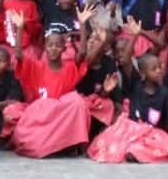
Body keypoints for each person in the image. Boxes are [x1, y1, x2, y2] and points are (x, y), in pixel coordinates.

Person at [9, 14, 107, 158]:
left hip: (61, 116)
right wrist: (20, 27)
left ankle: (69, 144)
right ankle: (54, 146)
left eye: (57, 46)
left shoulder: (69, 68)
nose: (53, 48)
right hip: (40, 116)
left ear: (63, 49)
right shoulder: (36, 66)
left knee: (77, 101)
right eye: (50, 45)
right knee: (31, 142)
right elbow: (18, 55)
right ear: (45, 48)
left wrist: (83, 24)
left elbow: (83, 54)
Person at [87, 53, 168, 164]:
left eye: (160, 67)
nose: (159, 70)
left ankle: (135, 152)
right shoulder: (136, 86)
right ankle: (131, 151)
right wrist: (134, 37)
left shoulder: (165, 93)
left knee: (164, 145)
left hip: (152, 132)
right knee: (113, 139)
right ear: (143, 73)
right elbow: (126, 61)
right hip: (132, 128)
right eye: (154, 69)